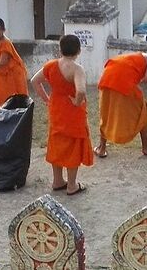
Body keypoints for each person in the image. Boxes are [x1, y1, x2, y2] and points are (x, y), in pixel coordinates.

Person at [30, 35, 93, 196]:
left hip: (56, 109)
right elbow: (81, 91)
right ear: (78, 50)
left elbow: (34, 81)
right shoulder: (77, 69)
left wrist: (47, 99)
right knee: (72, 146)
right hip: (72, 113)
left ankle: (57, 180)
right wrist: (77, 102)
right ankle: (72, 185)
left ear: (60, 49)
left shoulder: (51, 65)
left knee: (57, 143)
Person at [94, 52, 147, 158]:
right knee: (143, 111)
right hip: (122, 81)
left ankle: (101, 148)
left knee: (107, 114)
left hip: (106, 79)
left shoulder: (138, 58)